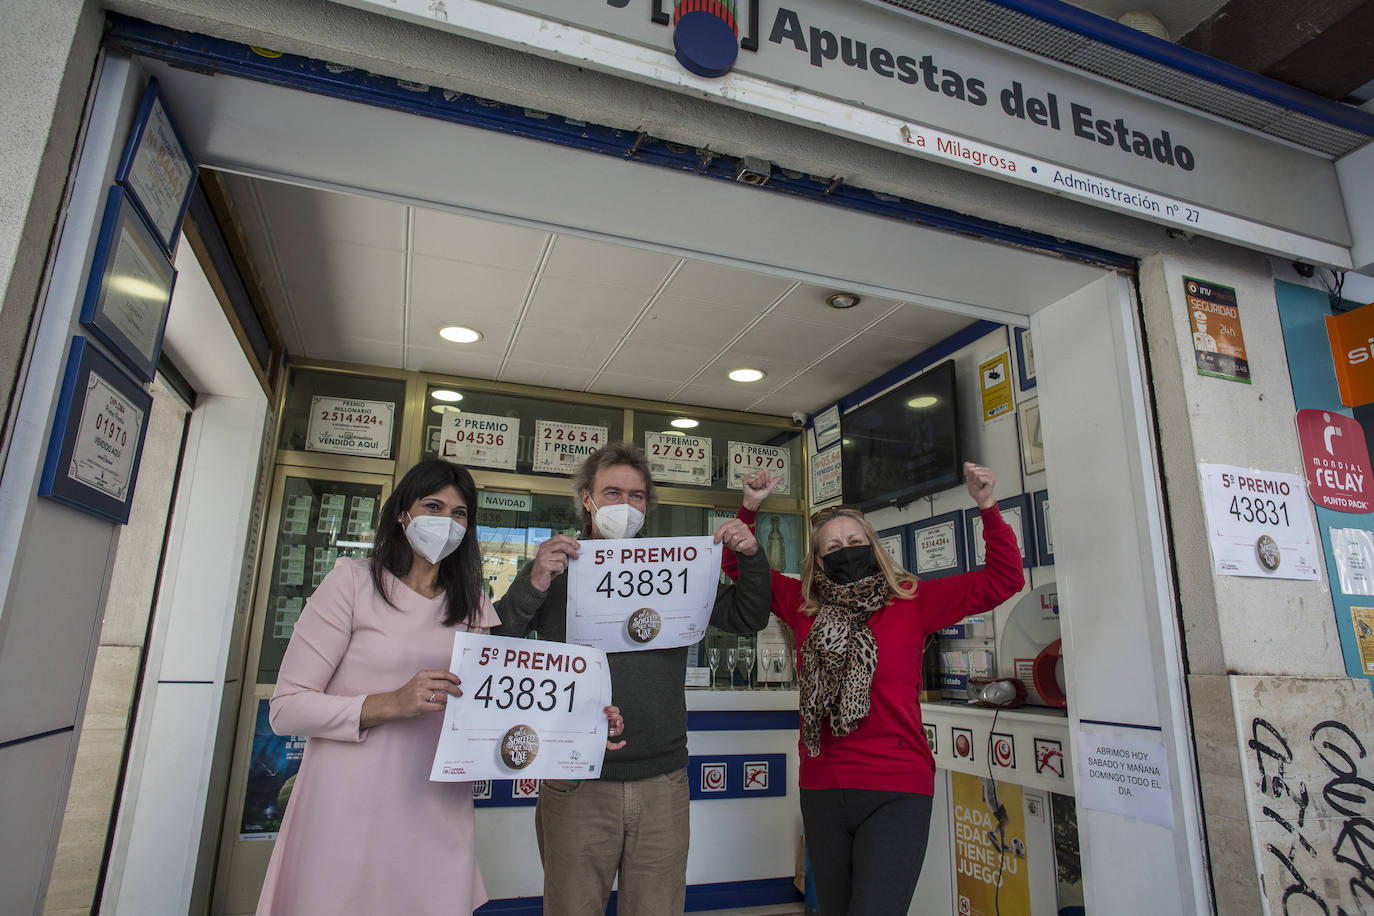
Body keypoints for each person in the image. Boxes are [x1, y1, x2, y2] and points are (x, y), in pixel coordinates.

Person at [256, 459, 625, 916]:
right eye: (434, 506)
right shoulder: (351, 583)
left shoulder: (471, 603)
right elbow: (287, 708)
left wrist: (582, 724)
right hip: (348, 802)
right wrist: (387, 703)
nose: (447, 521)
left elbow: (495, 703)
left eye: (459, 513)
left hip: (436, 804)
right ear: (402, 514)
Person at [724, 461, 1024, 916]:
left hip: (896, 788)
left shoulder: (912, 600)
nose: (846, 550)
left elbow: (1005, 579)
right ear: (818, 560)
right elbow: (738, 569)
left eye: (855, 542)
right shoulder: (801, 604)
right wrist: (749, 509)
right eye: (834, 546)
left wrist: (986, 506)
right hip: (824, 787)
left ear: (873, 548)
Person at [495, 443, 772, 915]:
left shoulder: (673, 570)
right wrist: (534, 580)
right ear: (587, 499)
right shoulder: (555, 568)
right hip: (576, 778)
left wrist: (750, 555)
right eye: (613, 493)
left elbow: (747, 616)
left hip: (662, 778)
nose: (626, 506)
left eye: (638, 496)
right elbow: (497, 645)